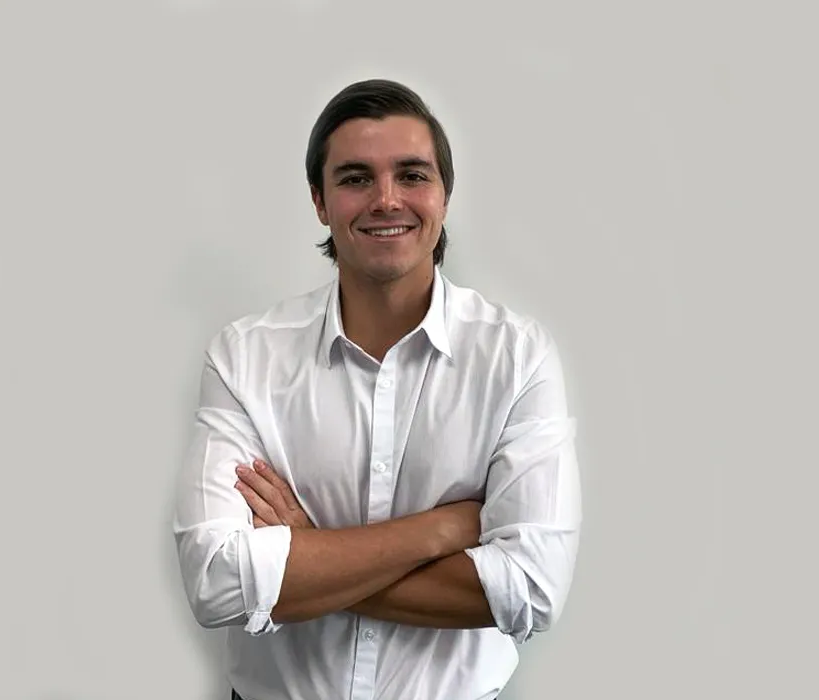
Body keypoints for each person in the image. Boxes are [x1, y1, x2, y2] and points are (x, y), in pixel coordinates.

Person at [172, 78, 582, 700]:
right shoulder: (244, 356)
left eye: (412, 175)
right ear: (320, 201)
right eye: (356, 178)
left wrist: (309, 554)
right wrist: (439, 531)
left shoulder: (518, 358)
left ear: (444, 196)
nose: (386, 199)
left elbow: (531, 589)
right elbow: (215, 582)